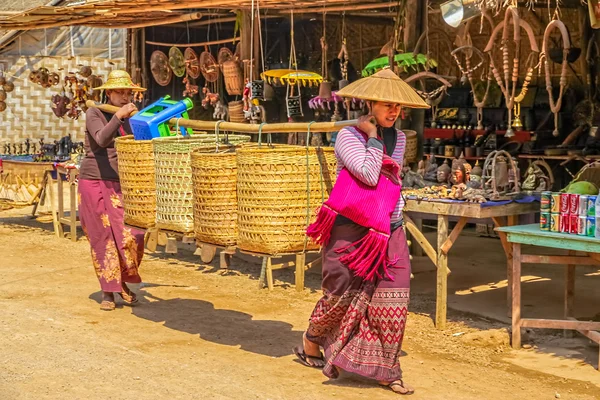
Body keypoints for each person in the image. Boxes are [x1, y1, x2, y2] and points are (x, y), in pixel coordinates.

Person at [296, 69, 429, 395]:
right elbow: (370, 174)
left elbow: (391, 181)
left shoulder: (399, 138)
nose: (394, 111)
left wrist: (396, 214)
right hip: (350, 230)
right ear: (370, 104)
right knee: (339, 296)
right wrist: (371, 136)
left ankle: (386, 370)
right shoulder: (347, 135)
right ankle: (312, 340)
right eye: (387, 105)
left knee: (392, 300)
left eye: (398, 106)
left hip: (387, 229)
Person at [78, 70, 146, 311]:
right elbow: (101, 139)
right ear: (109, 93)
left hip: (121, 182)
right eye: (120, 92)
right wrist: (119, 115)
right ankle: (109, 291)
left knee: (131, 235)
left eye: (128, 92)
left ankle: (124, 283)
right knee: (103, 237)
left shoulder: (133, 115)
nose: (125, 95)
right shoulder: (94, 112)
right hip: (93, 180)